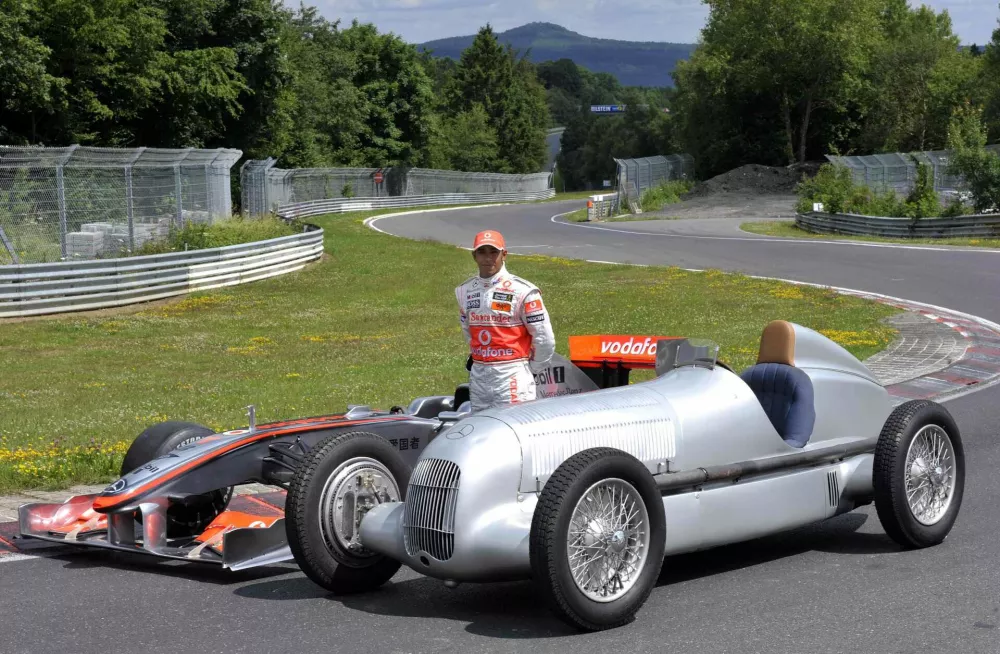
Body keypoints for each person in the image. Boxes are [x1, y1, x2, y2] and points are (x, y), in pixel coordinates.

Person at [455, 229, 555, 411]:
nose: (488, 258)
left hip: (512, 375)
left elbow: (543, 338)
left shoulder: (523, 291)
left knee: (515, 431)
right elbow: (467, 330)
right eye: (482, 252)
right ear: (474, 256)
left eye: (493, 252)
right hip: (479, 375)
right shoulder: (464, 290)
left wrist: (530, 369)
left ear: (504, 254)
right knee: (481, 431)